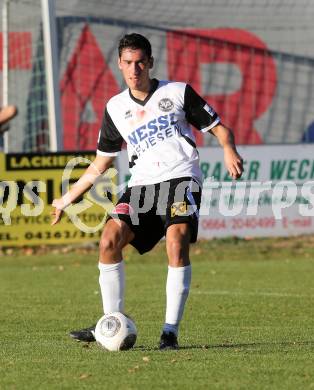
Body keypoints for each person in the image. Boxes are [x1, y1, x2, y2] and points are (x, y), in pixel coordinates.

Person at [51, 33, 243, 350]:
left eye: (140, 62)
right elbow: (101, 163)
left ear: (150, 63)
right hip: (141, 187)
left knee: (176, 240)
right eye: (128, 63)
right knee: (109, 238)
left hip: (181, 179)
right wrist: (66, 198)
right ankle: (111, 322)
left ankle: (169, 332)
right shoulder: (115, 108)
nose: (134, 69)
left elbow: (221, 129)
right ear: (119, 65)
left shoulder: (177, 92)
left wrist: (229, 149)